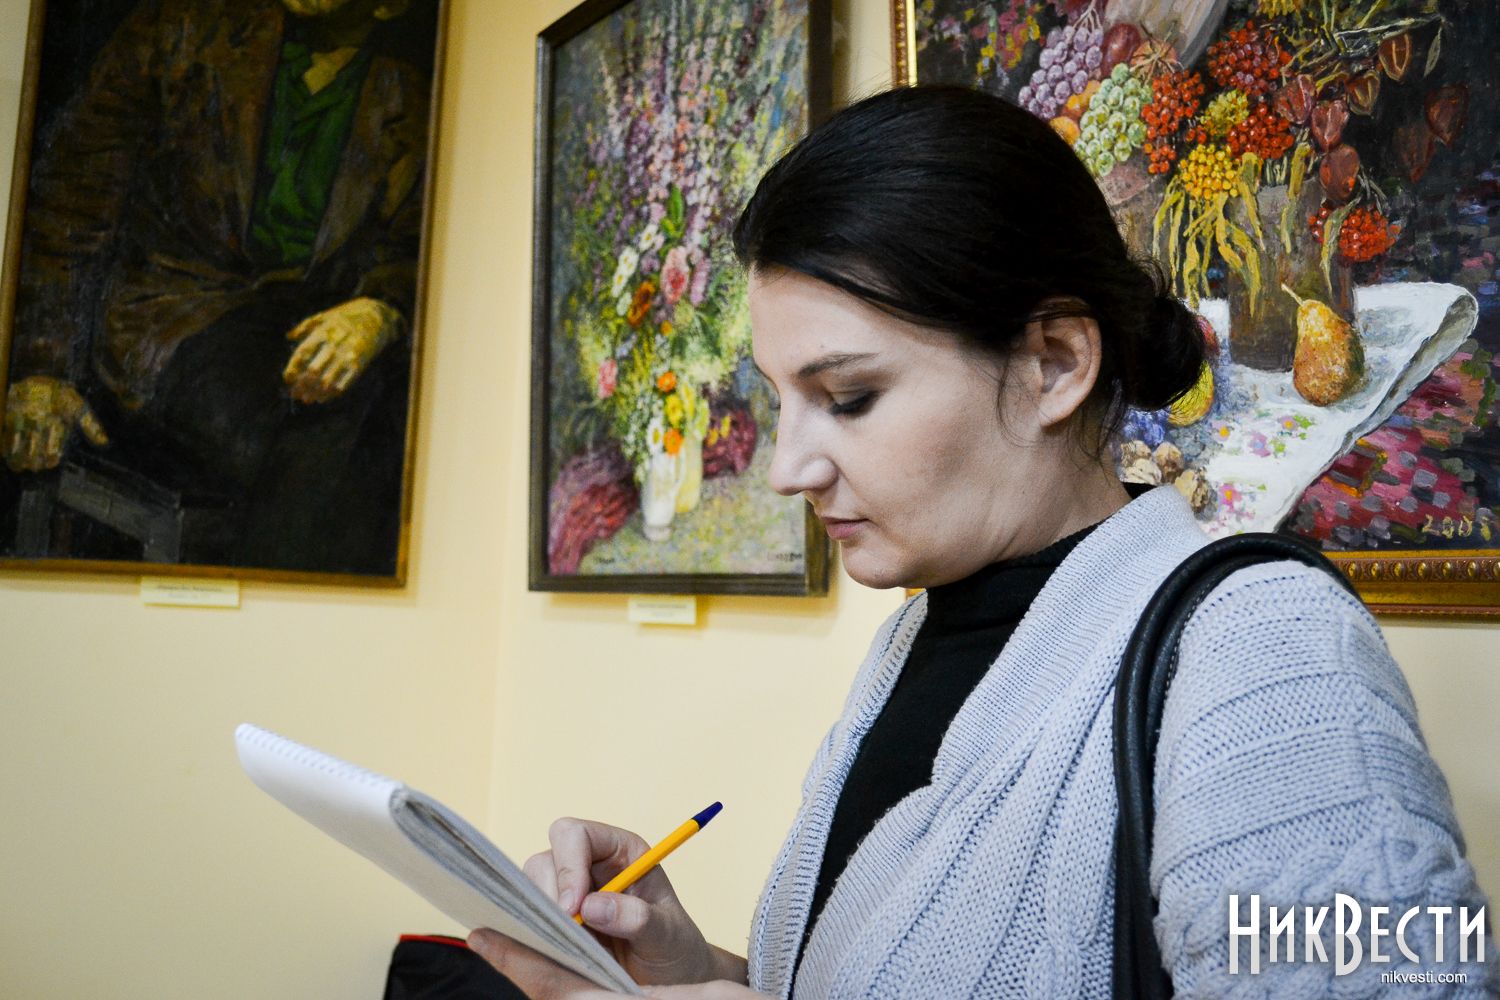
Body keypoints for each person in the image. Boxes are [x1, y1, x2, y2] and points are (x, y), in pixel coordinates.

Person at [468, 87, 1494, 998]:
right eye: (780, 401)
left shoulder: (1264, 653)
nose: (786, 469)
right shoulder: (914, 641)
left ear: (1054, 363)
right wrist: (689, 967)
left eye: (849, 397)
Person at [1, 0, 430, 573]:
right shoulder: (180, 34)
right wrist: (41, 363)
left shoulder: (407, 95)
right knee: (324, 428)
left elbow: (414, 246)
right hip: (175, 320)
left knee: (388, 418)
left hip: (308, 331)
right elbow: (71, 203)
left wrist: (380, 309)